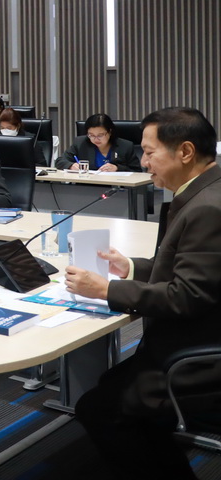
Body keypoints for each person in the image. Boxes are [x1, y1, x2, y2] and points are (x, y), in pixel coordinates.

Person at [67, 107, 221, 479]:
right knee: (111, 386)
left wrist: (107, 288)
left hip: (198, 350)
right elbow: (186, 267)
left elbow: (185, 296)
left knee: (99, 409)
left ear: (185, 152)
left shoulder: (208, 209)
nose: (143, 162)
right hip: (193, 335)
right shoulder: (202, 193)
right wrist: (130, 268)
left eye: (150, 152)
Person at [55, 112, 141, 172]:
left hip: (118, 188)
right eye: (91, 135)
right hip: (87, 187)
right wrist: (71, 165)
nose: (96, 139)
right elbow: (60, 161)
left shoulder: (125, 146)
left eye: (100, 135)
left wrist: (117, 168)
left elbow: (137, 171)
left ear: (110, 132)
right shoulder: (80, 143)